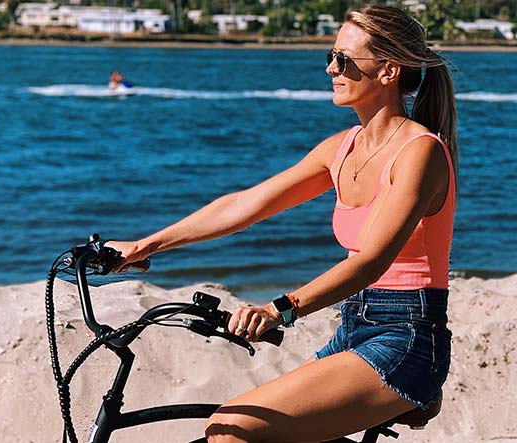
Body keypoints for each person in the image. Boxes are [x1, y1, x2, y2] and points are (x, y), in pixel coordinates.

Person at [107, 4, 458, 442]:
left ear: (388, 71)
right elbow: (245, 206)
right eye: (330, 56)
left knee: (231, 428)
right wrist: (143, 246)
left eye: (344, 59)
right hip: (354, 326)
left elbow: (370, 262)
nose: (331, 68)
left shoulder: (419, 153)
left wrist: (279, 310)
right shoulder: (341, 148)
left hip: (405, 337)